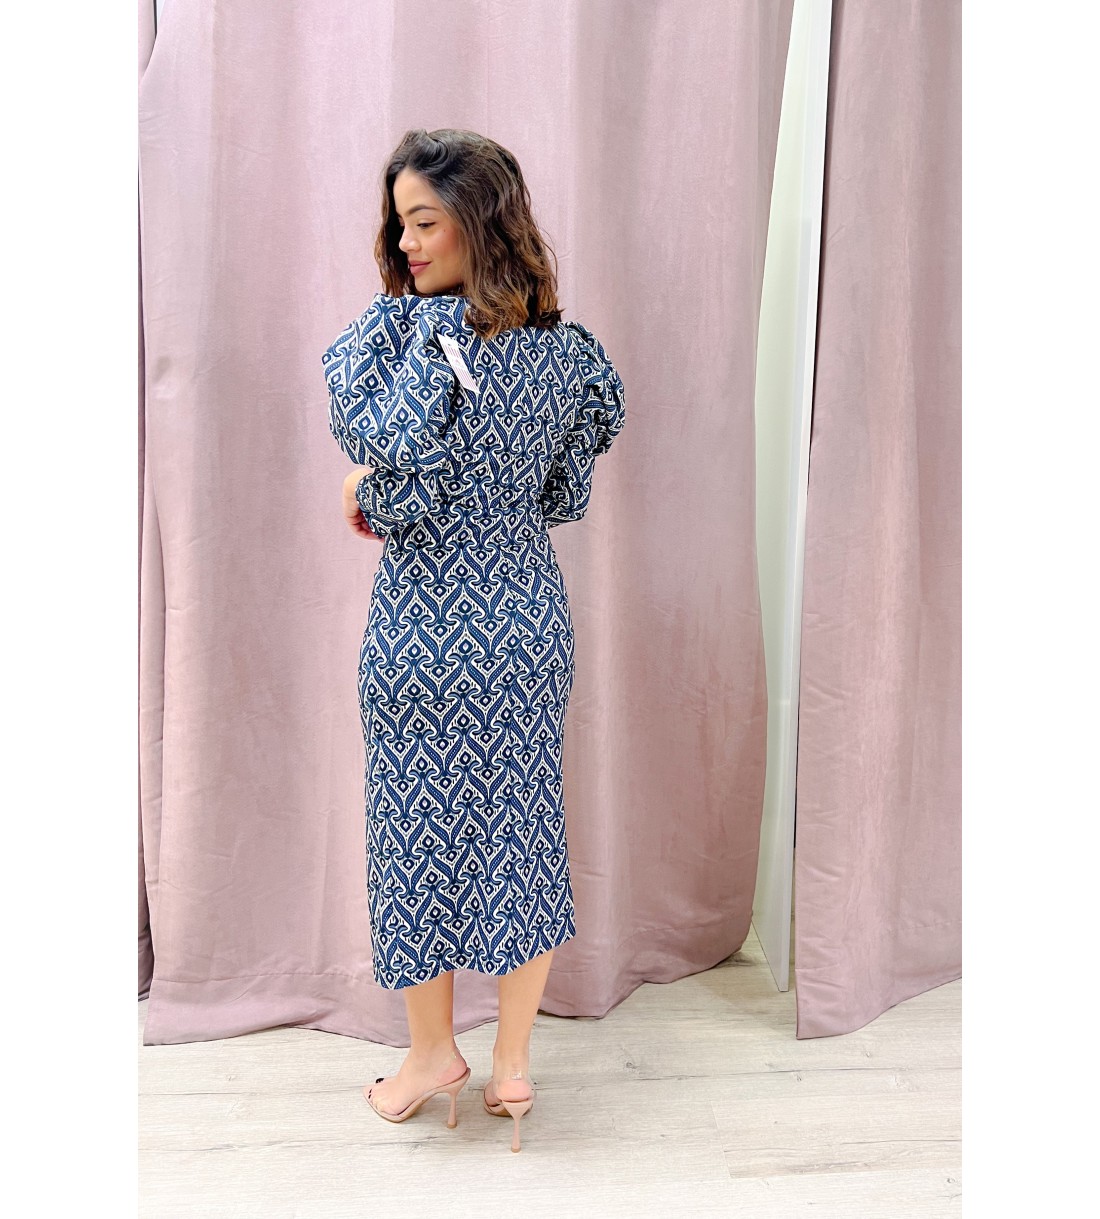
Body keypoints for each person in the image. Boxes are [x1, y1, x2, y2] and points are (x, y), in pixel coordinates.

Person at [321, 128, 626, 1152]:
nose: (405, 243)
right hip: (526, 622)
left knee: (414, 835)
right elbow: (560, 492)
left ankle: (428, 1057)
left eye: (423, 222)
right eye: (399, 224)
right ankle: (512, 1066)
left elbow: (395, 480)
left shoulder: (410, 343)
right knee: (522, 833)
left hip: (422, 630)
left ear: (475, 221)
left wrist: (363, 488)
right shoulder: (566, 356)